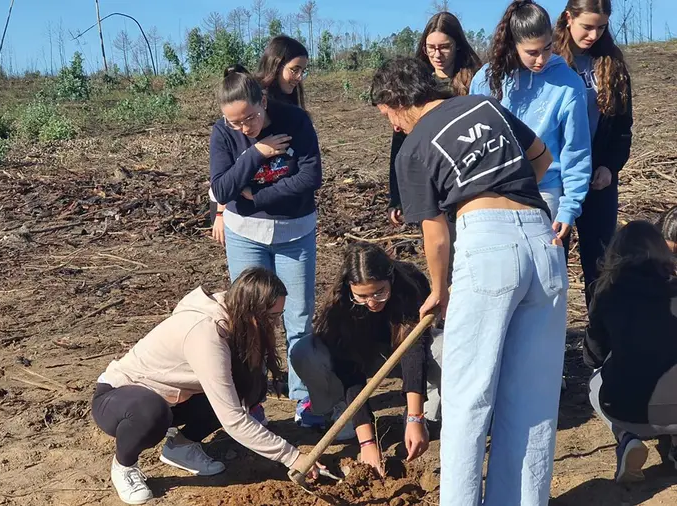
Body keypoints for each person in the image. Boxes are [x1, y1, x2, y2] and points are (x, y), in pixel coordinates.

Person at [370, 56, 565, 506]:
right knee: (533, 398)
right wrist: (505, 198)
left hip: (486, 247)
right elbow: (541, 158)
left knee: (466, 397)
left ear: (398, 101)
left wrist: (439, 290)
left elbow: (436, 236)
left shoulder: (415, 145)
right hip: (542, 240)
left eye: (387, 115)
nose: (392, 126)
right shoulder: (484, 105)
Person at [91, 267, 323, 505]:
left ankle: (181, 447)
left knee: (246, 387)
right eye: (271, 317)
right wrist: (292, 457)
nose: (275, 325)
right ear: (252, 311)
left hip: (175, 398)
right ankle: (124, 465)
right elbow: (232, 419)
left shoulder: (236, 315)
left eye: (278, 316)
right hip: (118, 401)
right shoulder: (206, 334)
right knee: (151, 413)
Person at [208, 64, 324, 428]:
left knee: (299, 317)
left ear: (263, 100)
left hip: (296, 232)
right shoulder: (225, 135)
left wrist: (255, 195)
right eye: (236, 123)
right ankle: (253, 399)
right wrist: (256, 152)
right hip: (246, 235)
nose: (245, 127)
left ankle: (304, 399)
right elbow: (222, 189)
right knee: (249, 319)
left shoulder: (296, 121)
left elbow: (310, 177)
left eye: (251, 117)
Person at [290, 242, 440, 477]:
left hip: (400, 355)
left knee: (444, 346)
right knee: (305, 351)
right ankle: (341, 409)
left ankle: (430, 408)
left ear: (390, 277)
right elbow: (351, 373)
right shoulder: (340, 308)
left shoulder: (410, 283)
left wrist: (415, 416)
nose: (372, 302)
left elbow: (414, 351)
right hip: (365, 360)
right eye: (362, 296)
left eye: (380, 292)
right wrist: (367, 443)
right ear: (349, 287)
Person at [471, 0, 593, 247]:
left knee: (546, 276)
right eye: (532, 53)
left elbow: (576, 150)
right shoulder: (485, 80)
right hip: (494, 191)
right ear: (512, 46)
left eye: (547, 48)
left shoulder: (568, 84)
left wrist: (569, 207)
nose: (542, 59)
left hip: (545, 191)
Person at [553, 0, 634, 308]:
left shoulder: (611, 61)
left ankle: (599, 342)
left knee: (600, 264)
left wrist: (610, 167)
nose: (593, 35)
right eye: (587, 26)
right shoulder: (548, 60)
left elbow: (623, 126)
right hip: (555, 178)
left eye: (601, 27)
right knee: (552, 257)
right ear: (568, 17)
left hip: (598, 179)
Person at [583, 220, 677, 483]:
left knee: (595, 380)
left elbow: (594, 356)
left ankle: (627, 439)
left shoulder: (605, 293)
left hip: (629, 409)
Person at [211, 35, 310, 245]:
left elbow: (309, 174)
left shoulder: (293, 114)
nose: (299, 77)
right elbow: (228, 164)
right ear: (277, 64)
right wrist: (220, 214)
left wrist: (257, 195)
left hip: (291, 222)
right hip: (246, 223)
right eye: (294, 69)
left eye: (303, 70)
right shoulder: (246, 102)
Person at [387, 11, 483, 225]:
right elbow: (400, 144)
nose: (437, 54)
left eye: (444, 47)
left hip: (467, 178)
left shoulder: (476, 81)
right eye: (431, 48)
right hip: (430, 178)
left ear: (457, 45)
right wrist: (397, 197)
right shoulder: (416, 85)